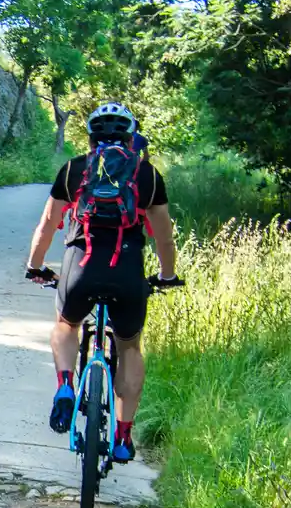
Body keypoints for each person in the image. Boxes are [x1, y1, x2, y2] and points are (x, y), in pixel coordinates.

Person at [24, 101, 179, 462]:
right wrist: (167, 275)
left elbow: (48, 224)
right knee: (129, 347)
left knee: (66, 325)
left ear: (91, 138)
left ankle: (65, 385)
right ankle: (123, 437)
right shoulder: (148, 175)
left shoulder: (73, 169)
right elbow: (164, 237)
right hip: (127, 271)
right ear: (130, 137)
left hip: (81, 266)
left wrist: (35, 266)